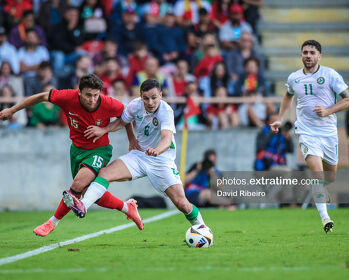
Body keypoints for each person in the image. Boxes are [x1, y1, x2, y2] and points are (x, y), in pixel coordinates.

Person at [0, 74, 143, 236]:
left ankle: (51, 223)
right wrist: (12, 110)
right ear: (79, 92)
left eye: (96, 95)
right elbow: (41, 97)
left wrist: (127, 137)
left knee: (77, 185)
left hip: (99, 151)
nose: (92, 99)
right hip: (77, 151)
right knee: (89, 193)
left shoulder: (109, 103)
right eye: (88, 95)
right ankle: (127, 207)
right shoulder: (67, 97)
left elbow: (126, 117)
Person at [63, 79, 207, 228]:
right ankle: (83, 205)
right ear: (141, 96)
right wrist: (104, 129)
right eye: (146, 98)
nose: (150, 102)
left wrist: (156, 150)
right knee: (104, 173)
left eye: (154, 98)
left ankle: (203, 229)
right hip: (139, 156)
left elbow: (166, 138)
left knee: (181, 204)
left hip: (161, 160)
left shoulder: (166, 111)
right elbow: (122, 122)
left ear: (161, 95)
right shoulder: (135, 105)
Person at [270, 40, 349, 233]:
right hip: (306, 132)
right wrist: (279, 118)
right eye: (305, 52)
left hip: (329, 133)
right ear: (301, 55)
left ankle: (320, 191)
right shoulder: (294, 78)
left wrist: (329, 110)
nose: (308, 55)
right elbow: (288, 96)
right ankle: (325, 218)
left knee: (329, 176)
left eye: (312, 52)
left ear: (319, 56)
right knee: (317, 172)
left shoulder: (330, 75)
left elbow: (348, 99)